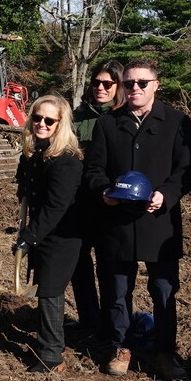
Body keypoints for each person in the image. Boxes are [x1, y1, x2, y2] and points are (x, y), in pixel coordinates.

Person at [83, 56, 191, 380]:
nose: (134, 88)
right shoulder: (108, 123)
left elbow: (188, 169)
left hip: (159, 224)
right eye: (129, 83)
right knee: (117, 290)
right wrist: (104, 191)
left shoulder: (176, 121)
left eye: (142, 83)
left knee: (163, 290)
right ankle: (120, 345)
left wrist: (167, 194)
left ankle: (164, 351)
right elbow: (94, 168)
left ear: (155, 86)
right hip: (117, 223)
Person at [14, 94, 83, 374]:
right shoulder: (37, 152)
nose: (41, 123)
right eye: (37, 118)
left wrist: (29, 237)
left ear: (61, 124)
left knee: (51, 291)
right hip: (45, 230)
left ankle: (51, 355)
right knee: (45, 287)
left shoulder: (65, 160)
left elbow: (56, 207)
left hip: (62, 234)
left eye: (49, 120)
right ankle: (48, 343)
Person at [68, 60, 123, 333]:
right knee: (79, 263)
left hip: (108, 202)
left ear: (118, 87)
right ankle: (89, 320)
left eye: (107, 84)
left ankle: (113, 326)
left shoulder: (122, 118)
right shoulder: (77, 116)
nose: (100, 88)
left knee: (109, 267)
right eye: (96, 83)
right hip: (78, 201)